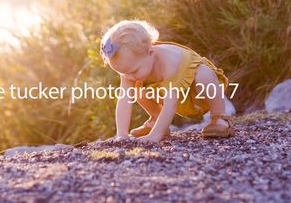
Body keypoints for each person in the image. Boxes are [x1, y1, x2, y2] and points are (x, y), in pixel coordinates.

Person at [100, 20, 236, 143]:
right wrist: (122, 134)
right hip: (172, 97)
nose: (129, 77)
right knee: (137, 90)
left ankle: (220, 117)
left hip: (198, 94)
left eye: (134, 71)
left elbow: (171, 103)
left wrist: (154, 137)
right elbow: (124, 98)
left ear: (150, 53)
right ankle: (157, 121)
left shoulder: (168, 62)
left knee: (203, 74)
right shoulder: (133, 66)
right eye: (123, 73)